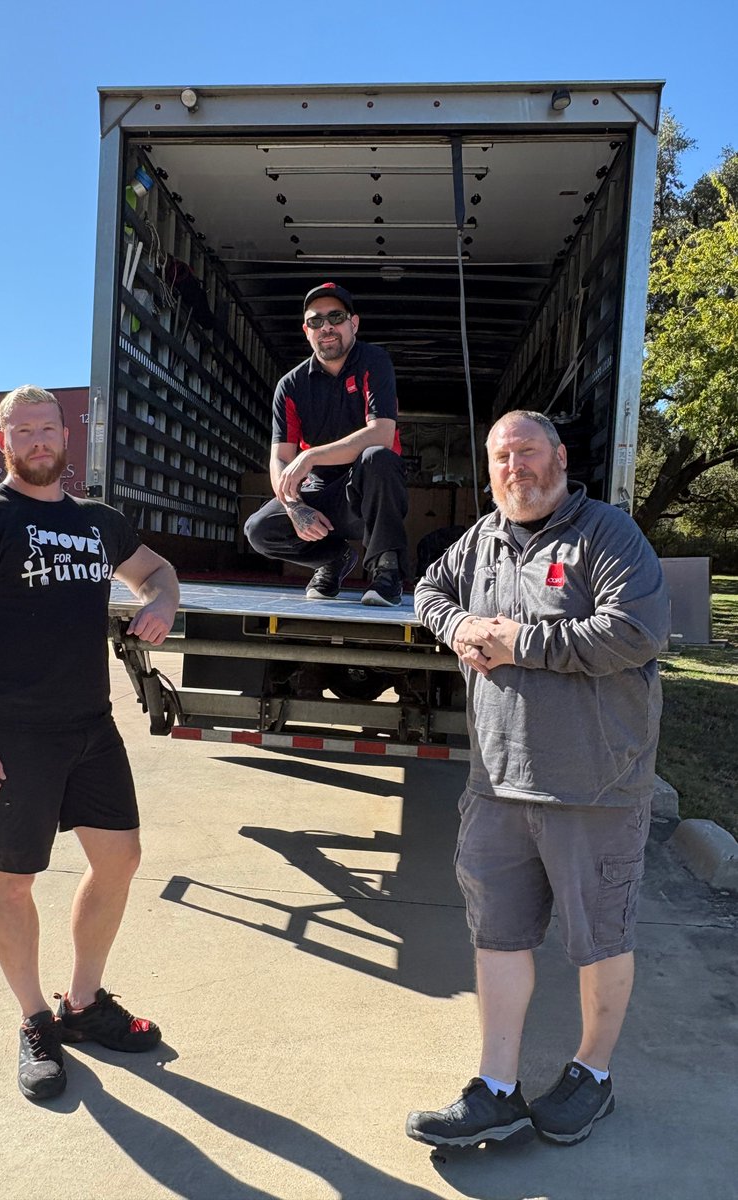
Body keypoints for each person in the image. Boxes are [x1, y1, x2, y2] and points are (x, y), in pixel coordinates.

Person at [407, 410, 670, 1150]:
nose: (512, 468)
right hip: (498, 782)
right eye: (499, 458)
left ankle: (594, 1074)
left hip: (594, 784)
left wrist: (518, 642)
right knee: (499, 935)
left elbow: (636, 632)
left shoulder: (609, 535)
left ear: (558, 457)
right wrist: (458, 627)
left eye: (525, 451)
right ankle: (495, 1087)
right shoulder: (483, 539)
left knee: (599, 939)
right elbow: (429, 590)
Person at [0, 385, 180, 1103]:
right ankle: (35, 1020)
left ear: (67, 437)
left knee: (120, 857)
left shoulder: (98, 521)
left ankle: (84, 1002)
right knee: (13, 879)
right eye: (23, 431)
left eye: (48, 428)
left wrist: (159, 600)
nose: (38, 441)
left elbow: (157, 572)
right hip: (8, 733)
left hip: (89, 726)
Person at [244, 282, 408, 606]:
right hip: (320, 493)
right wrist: (294, 507)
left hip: (368, 491)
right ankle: (333, 559)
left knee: (378, 457)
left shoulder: (374, 362)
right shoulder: (290, 386)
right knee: (259, 529)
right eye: (316, 321)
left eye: (336, 316)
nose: (327, 327)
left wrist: (311, 456)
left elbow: (381, 434)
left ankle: (386, 572)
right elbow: (280, 458)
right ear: (307, 331)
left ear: (353, 323)